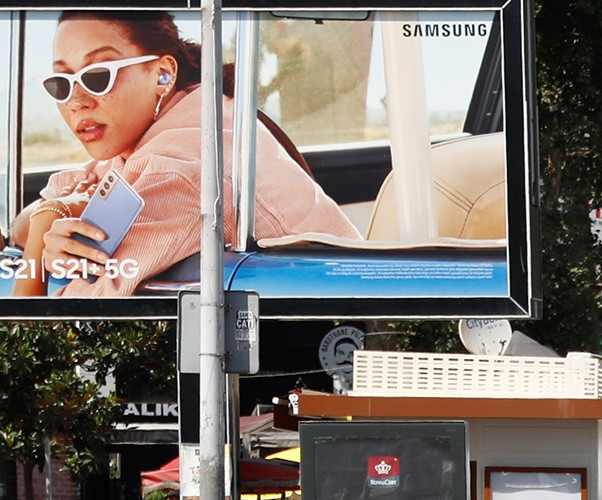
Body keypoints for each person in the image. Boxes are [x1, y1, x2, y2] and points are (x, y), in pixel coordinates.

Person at [10, 10, 359, 298]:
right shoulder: (182, 116)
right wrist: (56, 211)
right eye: (61, 83)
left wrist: (45, 225)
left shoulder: (178, 166)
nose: (77, 101)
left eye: (99, 75)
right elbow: (29, 219)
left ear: (163, 73)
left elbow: (59, 330)